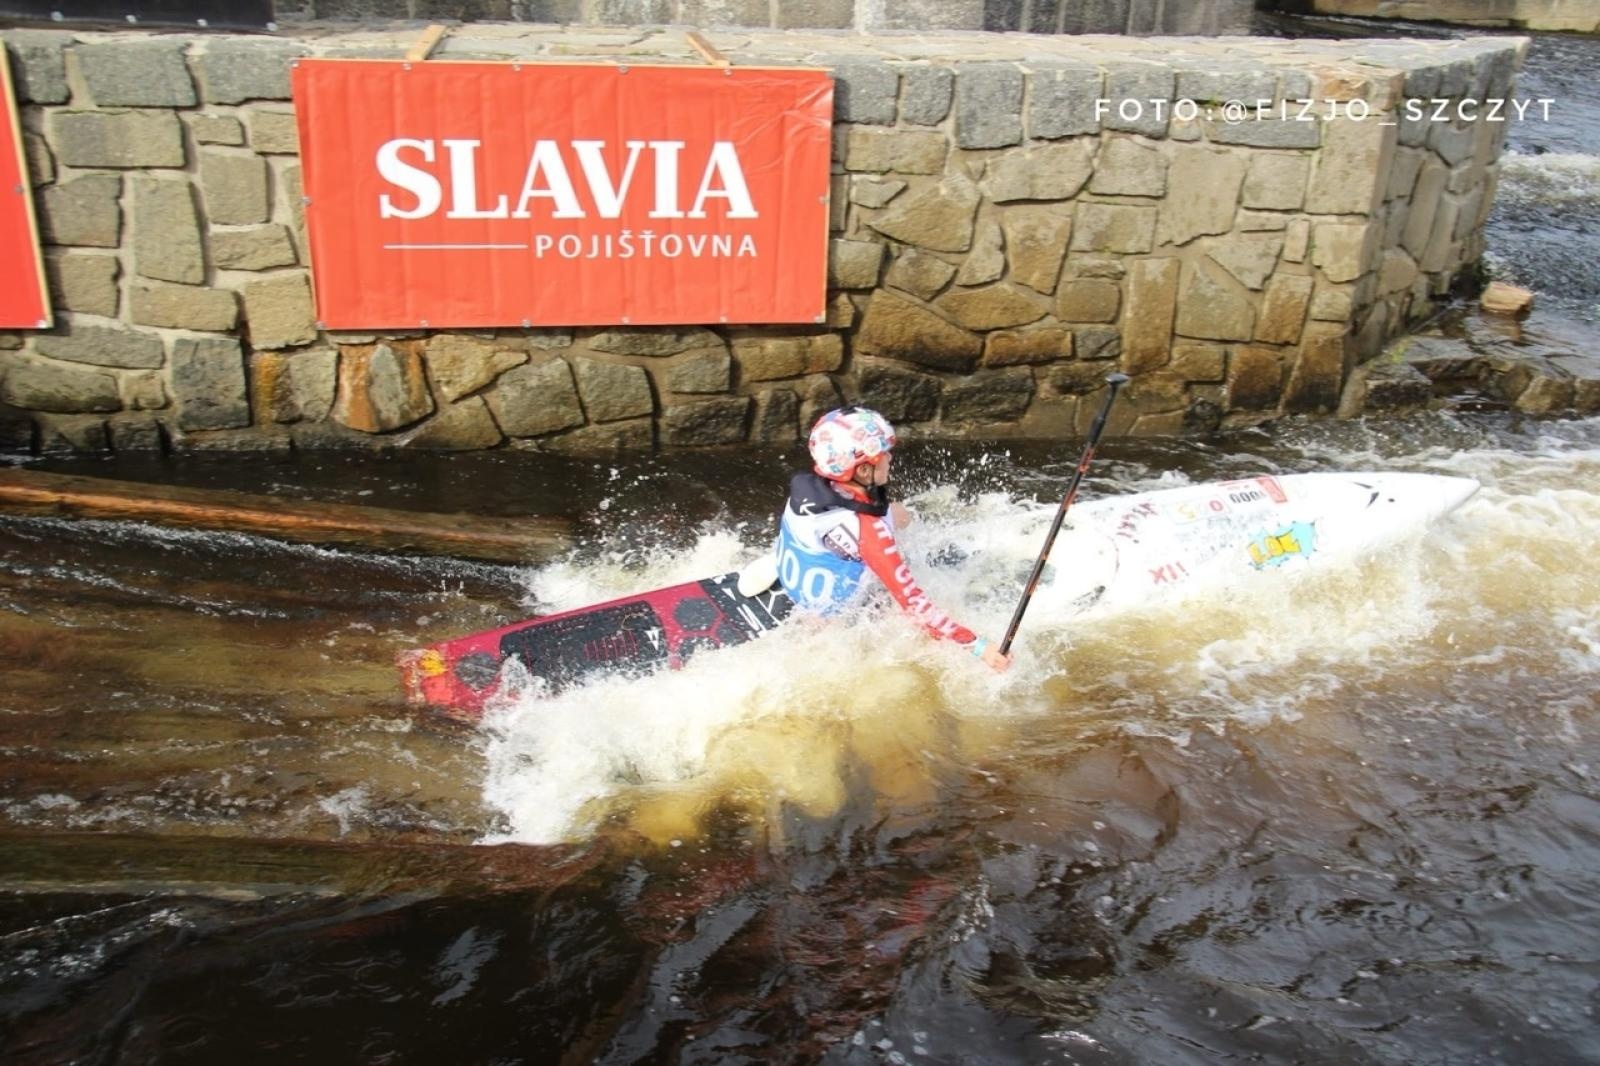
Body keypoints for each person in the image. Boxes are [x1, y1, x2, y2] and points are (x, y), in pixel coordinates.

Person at [772, 406, 1012, 673]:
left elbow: (881, 514)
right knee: (915, 630)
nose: (889, 457)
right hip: (839, 622)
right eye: (883, 454)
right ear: (863, 471)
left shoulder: (811, 484)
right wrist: (980, 647)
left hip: (802, 571)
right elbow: (917, 608)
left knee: (898, 513)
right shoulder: (871, 534)